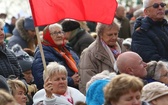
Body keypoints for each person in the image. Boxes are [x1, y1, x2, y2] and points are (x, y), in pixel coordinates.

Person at [78, 18, 123, 94]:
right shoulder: (89, 53)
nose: (114, 37)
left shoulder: (122, 47)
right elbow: (88, 81)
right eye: (110, 35)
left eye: (116, 34)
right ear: (100, 35)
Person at [32, 23, 80, 90]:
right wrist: (70, 81)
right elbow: (41, 80)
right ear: (47, 36)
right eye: (55, 33)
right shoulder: (42, 54)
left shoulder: (67, 50)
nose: (59, 35)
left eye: (60, 32)